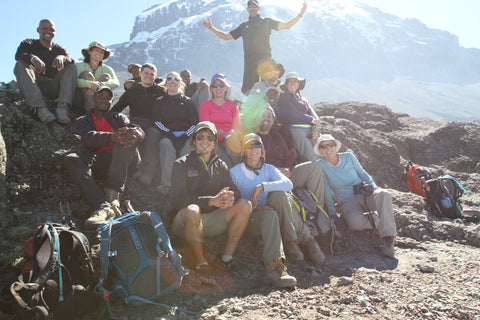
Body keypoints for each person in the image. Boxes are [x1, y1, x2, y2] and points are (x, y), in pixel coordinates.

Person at [171, 121, 251, 282]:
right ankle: (201, 263)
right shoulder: (181, 164)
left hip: (212, 220)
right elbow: (178, 200)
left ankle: (227, 258)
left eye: (209, 137)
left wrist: (229, 197)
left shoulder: (221, 164)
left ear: (215, 142)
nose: (204, 140)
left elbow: (235, 190)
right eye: (200, 137)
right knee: (193, 209)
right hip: (185, 220)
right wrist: (211, 201)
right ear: (194, 141)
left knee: (245, 204)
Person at [63, 86, 144, 229]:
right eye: (100, 97)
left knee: (126, 139)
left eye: (108, 98)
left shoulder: (118, 117)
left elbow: (134, 128)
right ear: (93, 98)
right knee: (71, 158)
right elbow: (87, 138)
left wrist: (136, 133)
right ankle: (103, 207)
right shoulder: (83, 120)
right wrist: (111, 137)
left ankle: (113, 194)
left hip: (123, 162)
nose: (104, 101)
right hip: (98, 162)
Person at [229, 133, 298, 287]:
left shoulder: (269, 169)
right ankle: (274, 267)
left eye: (257, 146)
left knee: (279, 196)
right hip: (246, 219)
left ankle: (279, 261)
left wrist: (262, 186)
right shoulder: (234, 172)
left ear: (262, 149)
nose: (254, 149)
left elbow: (288, 184)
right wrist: (255, 207)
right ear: (244, 151)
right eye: (249, 146)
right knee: (270, 215)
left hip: (267, 215)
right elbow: (232, 203)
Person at [315, 134, 397, 258]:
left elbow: (362, 173)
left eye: (331, 144)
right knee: (355, 223)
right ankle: (376, 219)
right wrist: (332, 213)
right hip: (347, 203)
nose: (328, 148)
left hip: (365, 195)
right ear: (320, 150)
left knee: (384, 195)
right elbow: (326, 190)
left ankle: (388, 238)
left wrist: (372, 187)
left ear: (336, 146)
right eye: (324, 146)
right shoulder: (320, 165)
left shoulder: (349, 156)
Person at [203, 0, 307, 95]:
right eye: (250, 6)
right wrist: (211, 28)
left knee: (269, 87)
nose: (252, 8)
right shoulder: (244, 26)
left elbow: (287, 25)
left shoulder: (267, 22)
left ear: (258, 8)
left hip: (265, 60)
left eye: (254, 6)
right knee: (249, 90)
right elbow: (226, 37)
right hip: (250, 61)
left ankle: (272, 110)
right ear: (247, 9)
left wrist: (301, 13)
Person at [258, 106, 330, 240]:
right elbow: (252, 162)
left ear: (273, 121)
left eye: (270, 115)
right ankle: (298, 229)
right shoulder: (253, 137)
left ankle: (319, 215)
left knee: (314, 168)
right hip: (266, 178)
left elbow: (288, 158)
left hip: (286, 174)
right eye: (263, 114)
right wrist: (276, 171)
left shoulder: (277, 137)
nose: (267, 117)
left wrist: (287, 169)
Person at [137, 71, 198, 194]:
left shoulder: (188, 102)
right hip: (168, 136)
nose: (172, 81)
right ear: (166, 83)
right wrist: (169, 134)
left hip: (186, 137)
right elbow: (157, 121)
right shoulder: (160, 101)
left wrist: (185, 136)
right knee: (165, 144)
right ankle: (167, 186)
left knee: (187, 152)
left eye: (176, 79)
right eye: (169, 78)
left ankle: (185, 188)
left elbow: (194, 123)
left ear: (180, 83)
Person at [14, 19, 77, 124]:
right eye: (44, 28)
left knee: (71, 67)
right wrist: (32, 58)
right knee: (20, 64)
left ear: (55, 33)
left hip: (52, 86)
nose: (48, 31)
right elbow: (18, 55)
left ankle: (63, 109)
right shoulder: (28, 43)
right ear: (38, 30)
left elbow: (70, 59)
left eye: (51, 30)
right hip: (33, 85)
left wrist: (62, 57)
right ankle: (39, 109)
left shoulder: (59, 49)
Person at [199, 73, 243, 167]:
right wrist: (219, 133)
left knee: (232, 140)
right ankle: (228, 173)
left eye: (221, 85)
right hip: (212, 138)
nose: (218, 88)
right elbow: (205, 127)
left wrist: (230, 133)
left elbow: (238, 129)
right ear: (211, 88)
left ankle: (237, 171)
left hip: (229, 138)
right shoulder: (205, 105)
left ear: (226, 88)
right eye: (215, 86)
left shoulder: (233, 106)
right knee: (213, 146)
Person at [277, 71, 321, 162]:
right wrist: (312, 120)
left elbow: (313, 114)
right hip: (297, 130)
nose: (293, 83)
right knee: (312, 158)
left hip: (311, 130)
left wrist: (315, 127)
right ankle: (318, 175)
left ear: (298, 84)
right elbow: (292, 113)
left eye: (295, 81)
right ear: (286, 84)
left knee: (323, 152)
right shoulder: (283, 97)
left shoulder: (302, 99)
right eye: (290, 81)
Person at [112, 63, 166, 131]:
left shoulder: (161, 91)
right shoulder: (131, 92)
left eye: (152, 74)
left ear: (155, 76)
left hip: (154, 124)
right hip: (134, 124)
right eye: (146, 73)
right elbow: (116, 109)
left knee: (153, 133)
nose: (148, 76)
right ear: (140, 74)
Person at [74, 41, 119, 111]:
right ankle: (92, 112)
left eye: (101, 52)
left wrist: (100, 86)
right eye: (97, 50)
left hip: (98, 97)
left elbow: (116, 82)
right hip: (80, 98)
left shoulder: (107, 69)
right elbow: (73, 81)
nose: (99, 53)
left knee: (106, 76)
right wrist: (90, 85)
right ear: (89, 52)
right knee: (86, 74)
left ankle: (101, 111)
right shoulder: (78, 66)